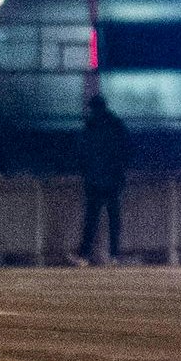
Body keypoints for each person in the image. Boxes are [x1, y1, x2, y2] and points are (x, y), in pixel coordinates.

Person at [75, 86, 132, 264]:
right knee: (114, 218)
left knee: (91, 218)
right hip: (113, 178)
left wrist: (84, 171)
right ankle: (114, 253)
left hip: (94, 179)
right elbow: (125, 149)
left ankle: (84, 253)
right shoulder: (116, 125)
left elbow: (83, 152)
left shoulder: (90, 127)